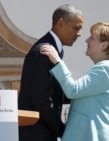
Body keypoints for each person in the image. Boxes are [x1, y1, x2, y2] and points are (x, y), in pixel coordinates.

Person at [40, 22, 109, 141]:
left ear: (104, 45)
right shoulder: (107, 67)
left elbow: (73, 90)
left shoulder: (105, 69)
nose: (87, 40)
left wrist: (57, 61)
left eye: (92, 38)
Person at [18, 4, 84, 141]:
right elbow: (42, 100)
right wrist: (62, 130)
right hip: (37, 135)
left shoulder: (54, 49)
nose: (79, 34)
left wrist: (85, 95)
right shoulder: (42, 52)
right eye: (76, 28)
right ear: (61, 23)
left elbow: (53, 92)